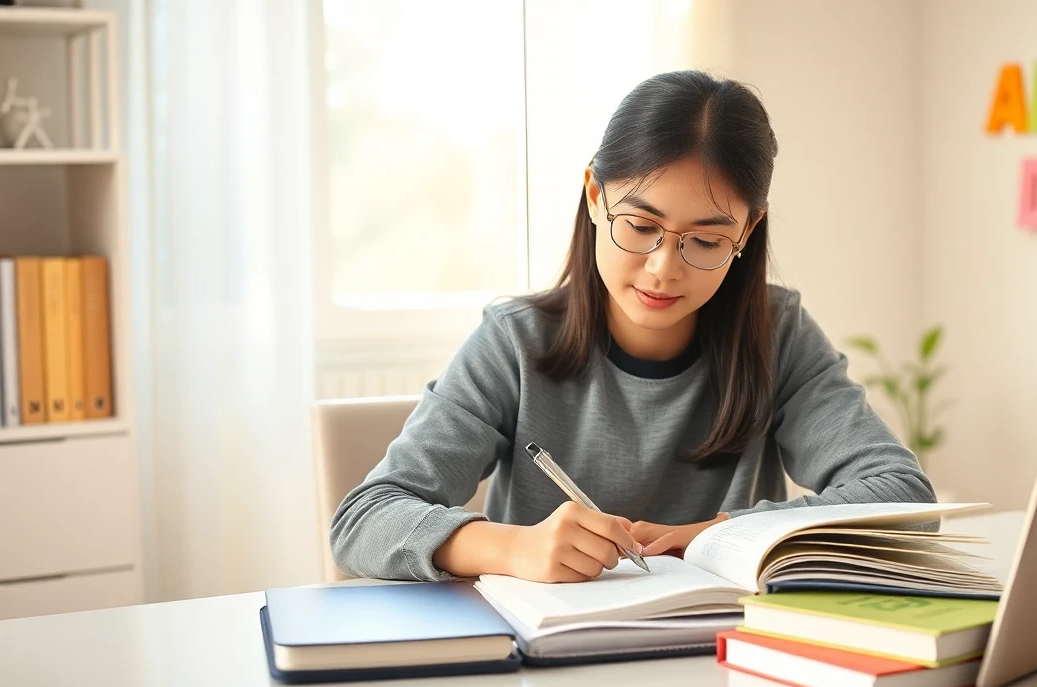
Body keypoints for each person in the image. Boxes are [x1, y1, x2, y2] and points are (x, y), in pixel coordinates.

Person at [330, 70, 935, 583]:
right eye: (641, 227)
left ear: (747, 233)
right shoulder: (514, 341)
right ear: (595, 195)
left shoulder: (777, 335)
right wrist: (513, 548)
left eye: (706, 240)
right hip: (543, 666)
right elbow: (364, 518)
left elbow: (904, 496)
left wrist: (721, 534)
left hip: (718, 658)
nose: (664, 268)